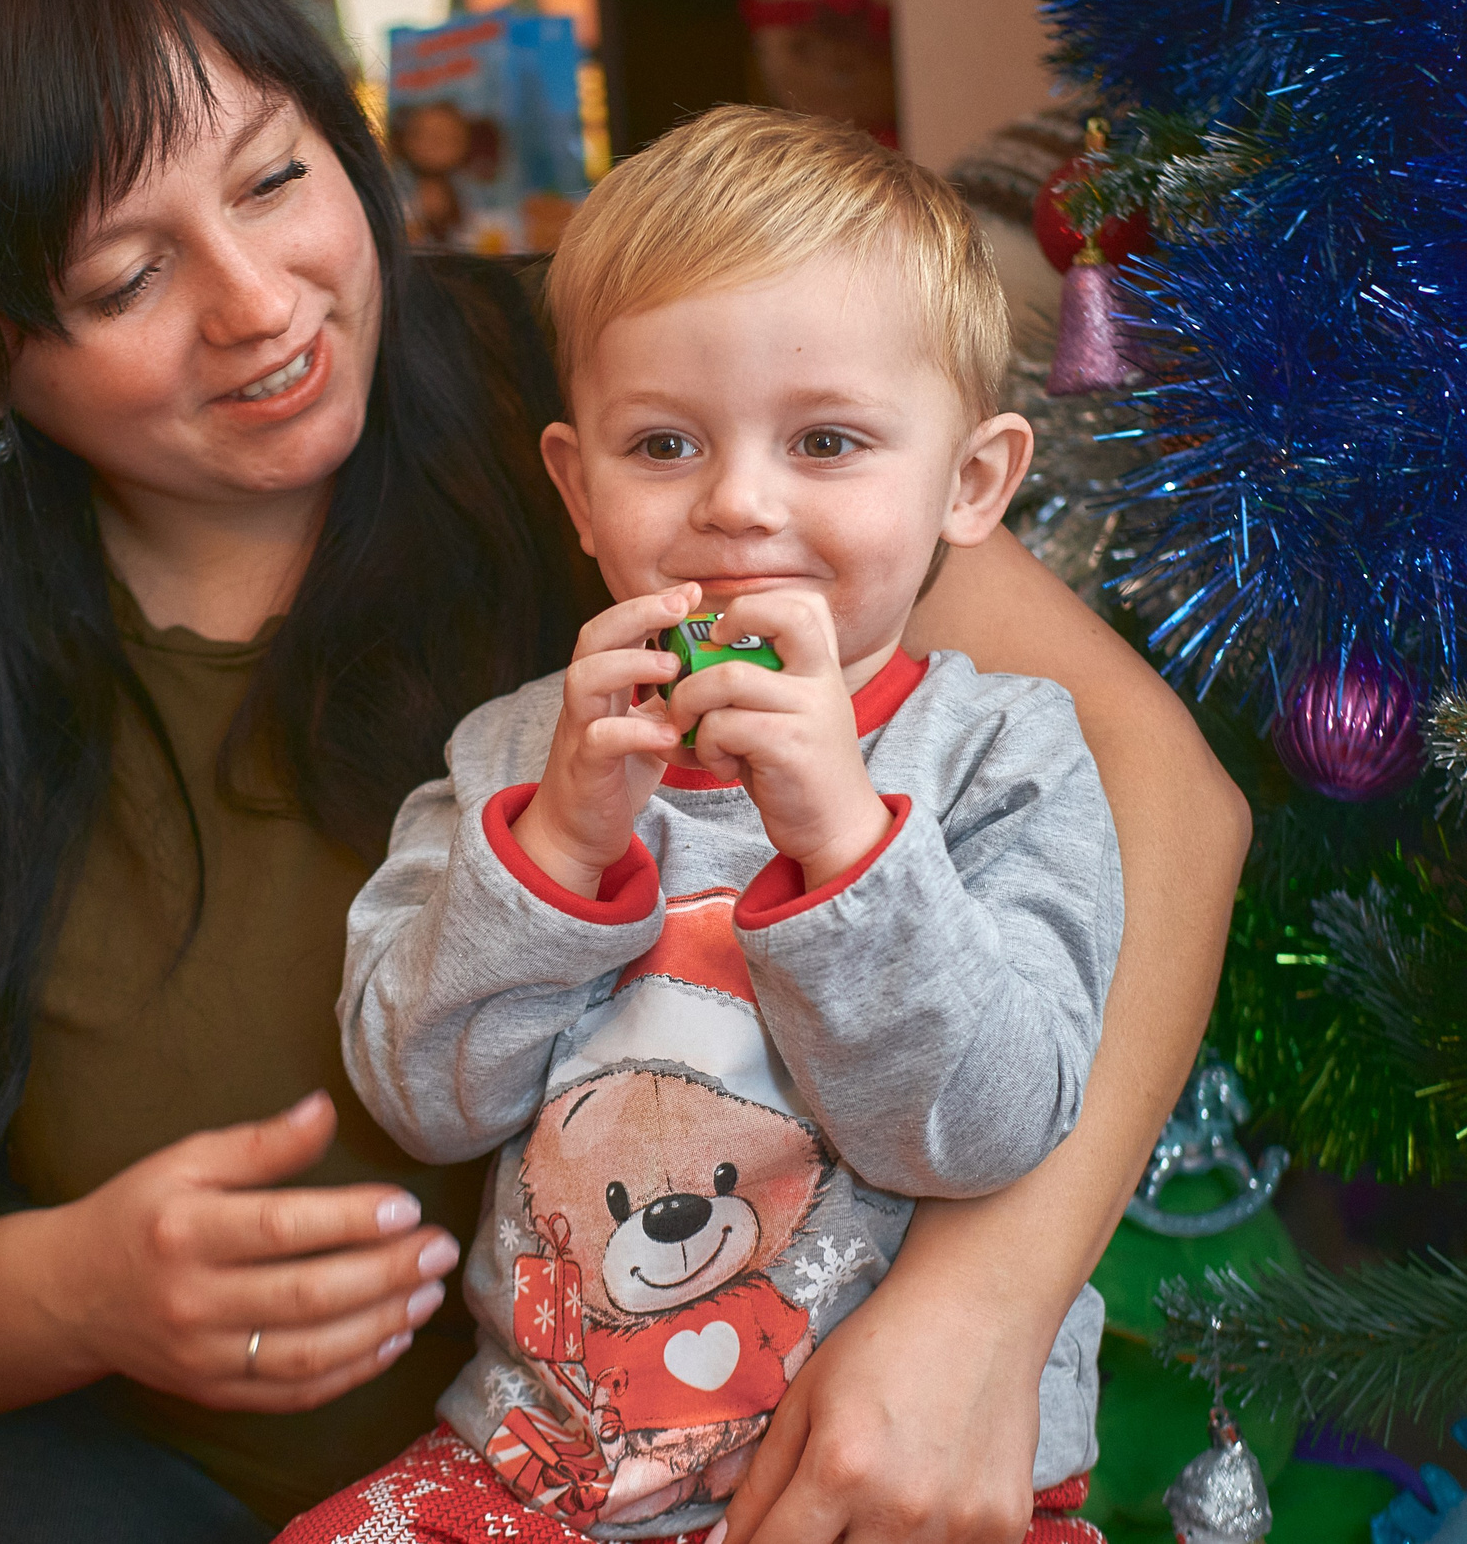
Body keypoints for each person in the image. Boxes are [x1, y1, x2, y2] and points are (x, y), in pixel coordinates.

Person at [0, 0, 1246, 1542]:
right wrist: (77, 1292)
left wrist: (981, 1316)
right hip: (223, 1472)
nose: (262, 305)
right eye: (124, 279)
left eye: (277, 178)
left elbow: (1165, 800)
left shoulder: (648, 401)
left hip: (763, 1437)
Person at [294, 106, 1118, 1542]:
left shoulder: (1003, 753)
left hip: (912, 1489)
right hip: (548, 1467)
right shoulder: (511, 750)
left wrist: (848, 842)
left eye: (827, 441)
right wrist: (552, 850)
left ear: (971, 482)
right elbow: (424, 1094)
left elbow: (985, 1127)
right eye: (666, 443)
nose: (739, 504)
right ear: (578, 488)